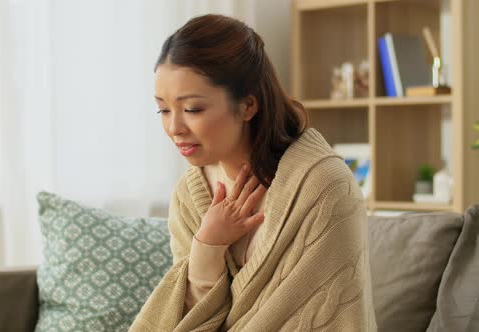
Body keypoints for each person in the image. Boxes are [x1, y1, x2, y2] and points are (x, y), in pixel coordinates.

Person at [130, 14, 377, 332]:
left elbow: (335, 317)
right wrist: (208, 244)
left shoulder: (324, 185)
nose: (174, 128)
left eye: (192, 109)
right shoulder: (189, 196)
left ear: (247, 106)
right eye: (163, 109)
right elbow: (186, 318)